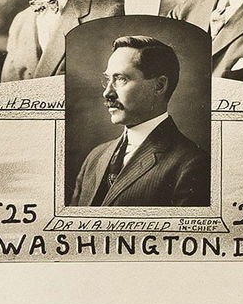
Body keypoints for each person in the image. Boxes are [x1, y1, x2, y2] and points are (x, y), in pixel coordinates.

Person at [68, 34, 210, 207]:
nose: (107, 93)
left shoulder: (192, 165)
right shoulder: (95, 156)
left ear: (159, 86)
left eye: (121, 79)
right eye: (108, 79)